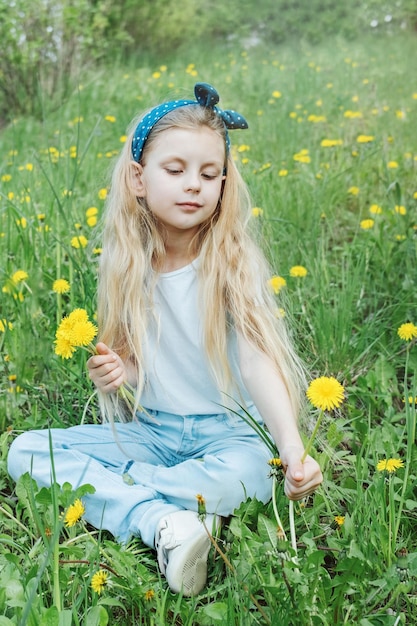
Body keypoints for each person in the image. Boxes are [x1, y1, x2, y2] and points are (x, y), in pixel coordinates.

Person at [8, 83, 323, 596]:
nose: (193, 185)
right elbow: (141, 364)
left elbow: (259, 361)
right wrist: (120, 374)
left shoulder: (230, 260)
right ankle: (164, 519)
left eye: (209, 174)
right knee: (24, 451)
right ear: (138, 178)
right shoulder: (126, 265)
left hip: (231, 437)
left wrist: (290, 449)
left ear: (224, 182)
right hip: (153, 433)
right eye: (175, 170)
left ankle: (128, 500)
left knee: (245, 475)